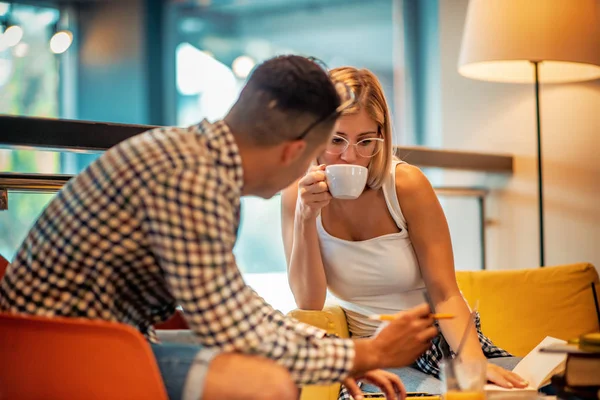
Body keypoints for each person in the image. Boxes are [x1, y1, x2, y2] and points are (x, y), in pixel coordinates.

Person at [0, 56, 439, 400]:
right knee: (262, 385)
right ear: (293, 152)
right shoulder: (191, 181)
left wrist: (338, 355)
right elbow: (230, 327)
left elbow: (232, 301)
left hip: (87, 338)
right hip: (51, 350)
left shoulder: (197, 159)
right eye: (322, 151)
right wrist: (365, 352)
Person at [281, 66, 528, 398]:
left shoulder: (406, 185)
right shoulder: (297, 194)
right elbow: (308, 302)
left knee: (530, 388)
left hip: (439, 341)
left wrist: (473, 365)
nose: (350, 155)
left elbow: (445, 292)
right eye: (336, 140)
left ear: (381, 137)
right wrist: (305, 216)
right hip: (372, 353)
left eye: (365, 141)